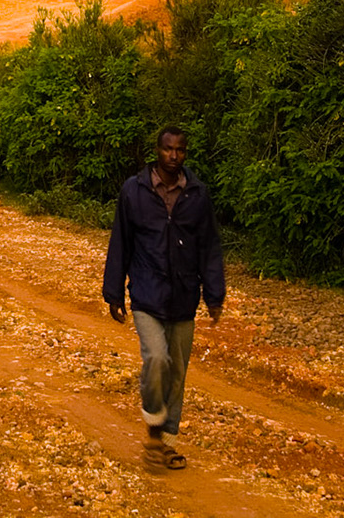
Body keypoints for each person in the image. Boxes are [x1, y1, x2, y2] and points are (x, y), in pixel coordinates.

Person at [102, 126, 225, 470]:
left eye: (180, 150)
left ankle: (167, 444)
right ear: (156, 151)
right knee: (157, 358)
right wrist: (114, 292)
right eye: (168, 149)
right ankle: (154, 430)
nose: (174, 156)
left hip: (184, 297)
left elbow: (210, 248)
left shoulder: (197, 195)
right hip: (146, 293)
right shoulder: (135, 191)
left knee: (177, 373)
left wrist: (214, 295)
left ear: (186, 153)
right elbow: (120, 242)